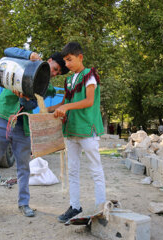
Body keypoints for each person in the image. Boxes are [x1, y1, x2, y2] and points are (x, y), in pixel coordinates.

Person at [0, 47, 69, 223]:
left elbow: (33, 104)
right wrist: (29, 55)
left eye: (58, 73)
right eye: (55, 68)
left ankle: (24, 204)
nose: (55, 73)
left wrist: (25, 100)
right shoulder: (27, 65)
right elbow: (7, 50)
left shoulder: (45, 86)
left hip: (23, 125)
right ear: (49, 60)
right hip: (2, 118)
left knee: (24, 167)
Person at [47, 42, 106, 223]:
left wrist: (66, 106)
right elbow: (64, 103)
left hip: (87, 129)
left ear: (80, 57)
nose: (67, 64)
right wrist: (47, 110)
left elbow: (88, 101)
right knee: (72, 170)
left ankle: (101, 208)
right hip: (71, 130)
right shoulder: (68, 80)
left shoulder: (90, 75)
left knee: (96, 170)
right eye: (65, 61)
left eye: (70, 60)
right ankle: (74, 206)